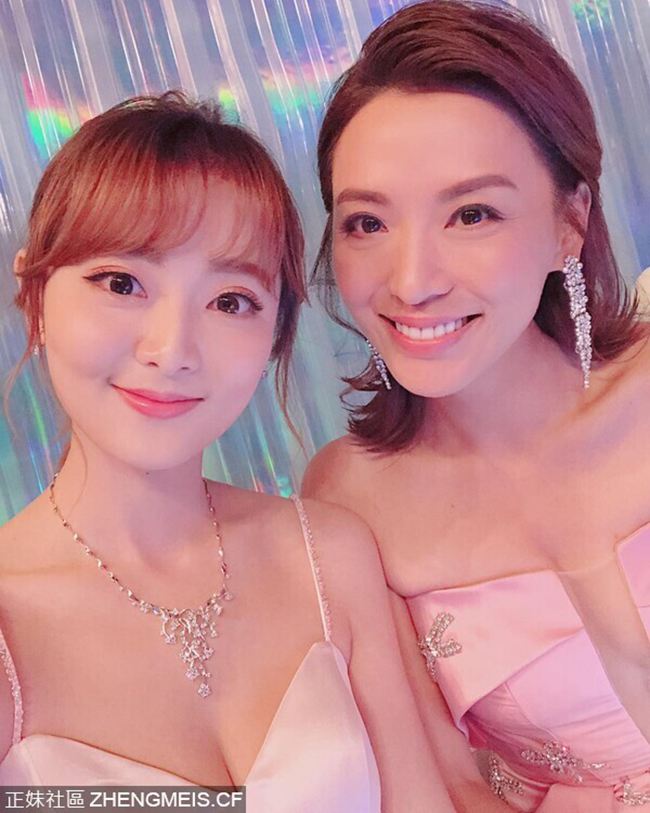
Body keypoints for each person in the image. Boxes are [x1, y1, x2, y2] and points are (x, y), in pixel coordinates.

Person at [0, 92, 452, 812]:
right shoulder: (11, 624)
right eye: (121, 283)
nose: (172, 349)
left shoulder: (328, 555)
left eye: (230, 301)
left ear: (275, 331)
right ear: (34, 297)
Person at [303, 1, 650, 810]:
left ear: (570, 222)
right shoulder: (348, 499)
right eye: (367, 222)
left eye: (471, 214)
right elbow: (441, 785)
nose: (412, 280)